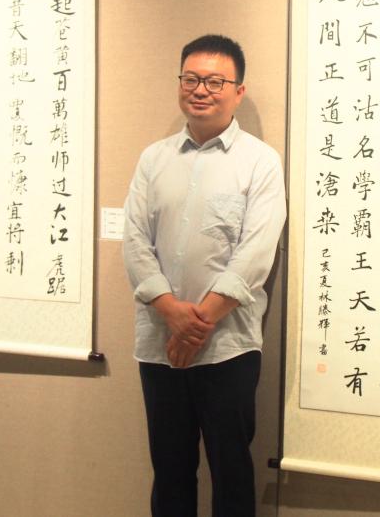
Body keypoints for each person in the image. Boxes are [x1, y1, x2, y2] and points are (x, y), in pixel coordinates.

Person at [123, 34, 286, 517]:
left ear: (238, 91)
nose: (200, 90)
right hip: (160, 344)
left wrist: (198, 323)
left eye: (215, 82)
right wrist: (170, 312)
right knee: (170, 469)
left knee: (231, 470)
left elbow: (257, 252)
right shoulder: (153, 159)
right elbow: (135, 242)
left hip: (227, 347)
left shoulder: (260, 161)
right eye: (191, 79)